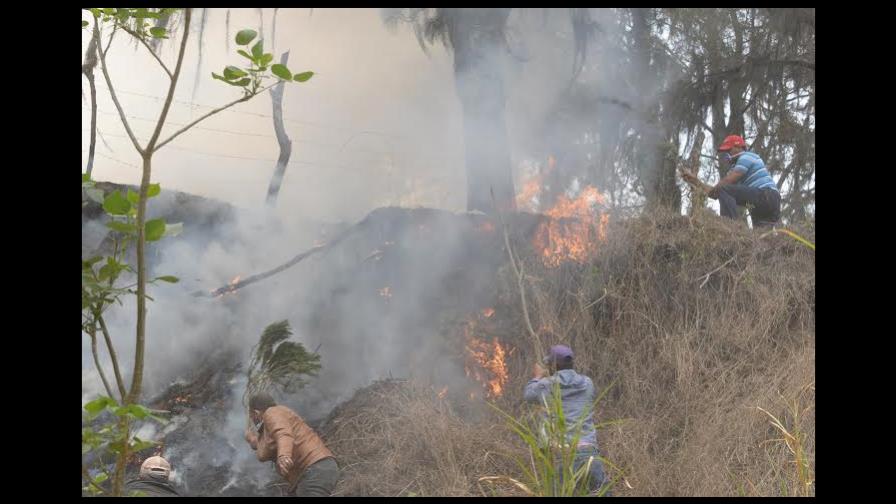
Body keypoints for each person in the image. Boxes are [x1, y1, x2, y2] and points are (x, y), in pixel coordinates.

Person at [523, 345, 610, 495]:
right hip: (589, 452)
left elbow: (528, 395)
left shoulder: (546, 385)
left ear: (554, 365)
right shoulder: (587, 383)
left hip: (561, 454)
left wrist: (537, 376)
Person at [244, 392, 340, 496]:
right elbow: (266, 447)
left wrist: (283, 456)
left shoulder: (272, 412)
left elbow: (283, 434)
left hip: (314, 468)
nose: (252, 420)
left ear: (256, 413)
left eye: (251, 416)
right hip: (313, 471)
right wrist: (252, 440)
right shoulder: (271, 424)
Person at [680, 134, 781, 228]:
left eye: (729, 150)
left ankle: (731, 227)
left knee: (724, 189)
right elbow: (716, 193)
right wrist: (696, 181)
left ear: (739, 147)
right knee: (761, 238)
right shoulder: (735, 169)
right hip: (764, 204)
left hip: (767, 195)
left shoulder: (747, 156)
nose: (726, 154)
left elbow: (723, 186)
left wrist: (718, 189)